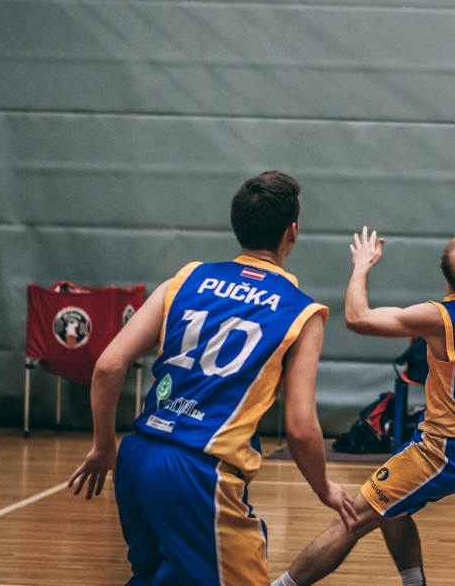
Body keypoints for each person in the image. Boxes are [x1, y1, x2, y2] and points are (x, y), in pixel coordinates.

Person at [68, 171, 356, 586]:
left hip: (137, 457)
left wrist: (103, 446)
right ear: (291, 232)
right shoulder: (302, 312)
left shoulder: (183, 279)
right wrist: (323, 487)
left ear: (237, 225)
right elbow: (300, 428)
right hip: (200, 472)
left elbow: (108, 367)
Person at [271, 230, 455, 586]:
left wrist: (362, 265)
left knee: (351, 519)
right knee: (390, 507)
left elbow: (357, 317)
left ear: (442, 270)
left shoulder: (439, 318)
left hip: (445, 449)